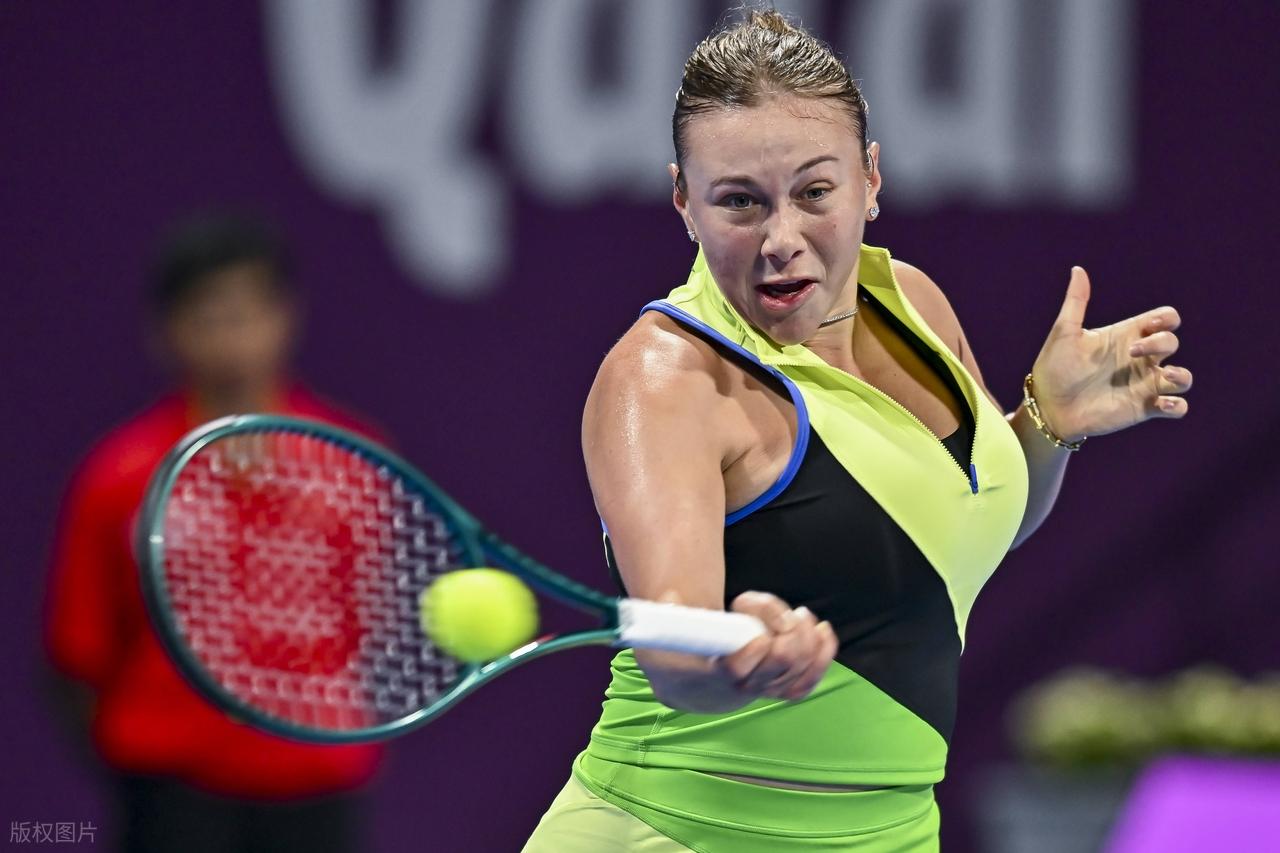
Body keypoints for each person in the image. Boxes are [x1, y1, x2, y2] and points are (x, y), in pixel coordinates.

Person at [523, 11, 1191, 852]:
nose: (781, 240)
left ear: (870, 179)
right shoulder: (666, 379)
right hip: (672, 832)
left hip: (891, 834)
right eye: (739, 201)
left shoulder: (914, 302)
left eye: (814, 192)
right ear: (683, 201)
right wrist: (738, 660)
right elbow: (673, 651)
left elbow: (954, 537)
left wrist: (1047, 424)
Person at [43, 214, 385, 853]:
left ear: (285, 316)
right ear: (167, 331)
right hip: (173, 790)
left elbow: (374, 621)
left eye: (246, 312)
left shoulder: (353, 461)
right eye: (208, 315)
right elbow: (77, 655)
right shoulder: (118, 474)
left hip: (313, 783)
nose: (231, 336)